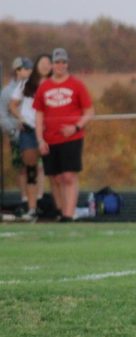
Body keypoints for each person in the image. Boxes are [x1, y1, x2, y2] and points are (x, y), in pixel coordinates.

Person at [34, 48, 94, 221]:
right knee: (55, 177)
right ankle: (61, 211)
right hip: (50, 138)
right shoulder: (44, 87)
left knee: (68, 176)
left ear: (67, 64)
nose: (60, 65)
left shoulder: (76, 85)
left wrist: (75, 127)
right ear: (52, 65)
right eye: (57, 62)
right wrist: (40, 139)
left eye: (63, 62)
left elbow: (89, 111)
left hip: (71, 138)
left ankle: (69, 215)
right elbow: (39, 114)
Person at [11, 64, 45, 220]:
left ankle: (60, 209)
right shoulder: (25, 84)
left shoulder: (53, 84)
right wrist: (21, 118)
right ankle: (32, 208)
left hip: (50, 131)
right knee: (30, 168)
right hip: (30, 131)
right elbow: (12, 105)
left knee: (52, 171)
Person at [2, 57, 32, 212]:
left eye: (29, 69)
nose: (28, 72)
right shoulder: (7, 92)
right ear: (17, 71)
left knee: (36, 168)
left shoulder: (35, 88)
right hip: (17, 137)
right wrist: (13, 130)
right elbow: (2, 115)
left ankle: (37, 199)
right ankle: (25, 200)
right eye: (25, 69)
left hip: (33, 135)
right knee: (21, 168)